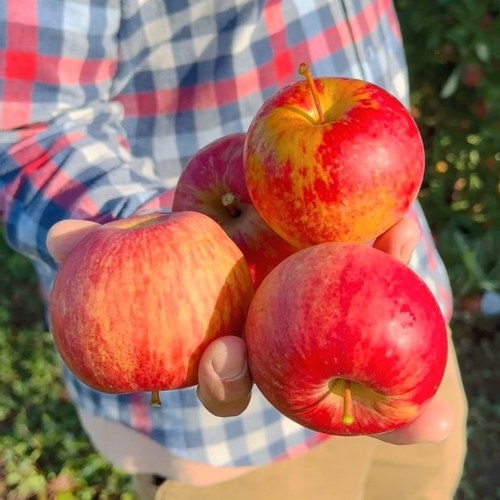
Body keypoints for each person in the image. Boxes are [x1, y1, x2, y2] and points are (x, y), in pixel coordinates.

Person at [0, 1, 467, 498]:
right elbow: (29, 125)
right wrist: (158, 249)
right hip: (223, 423)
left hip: (399, 311)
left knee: (427, 475)